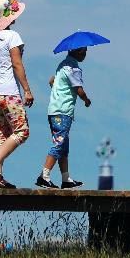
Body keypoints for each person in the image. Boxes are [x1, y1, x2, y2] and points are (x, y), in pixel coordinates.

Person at [0, 0, 33, 189]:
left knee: (2, 134)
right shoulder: (12, 36)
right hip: (9, 92)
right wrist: (27, 90)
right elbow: (17, 64)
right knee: (22, 131)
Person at [36, 47, 91, 189]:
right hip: (63, 112)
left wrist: (53, 85)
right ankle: (44, 176)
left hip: (54, 111)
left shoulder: (62, 65)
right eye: (83, 51)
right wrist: (86, 100)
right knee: (59, 144)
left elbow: (53, 82)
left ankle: (66, 179)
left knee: (64, 146)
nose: (85, 54)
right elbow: (78, 89)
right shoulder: (73, 68)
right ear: (76, 52)